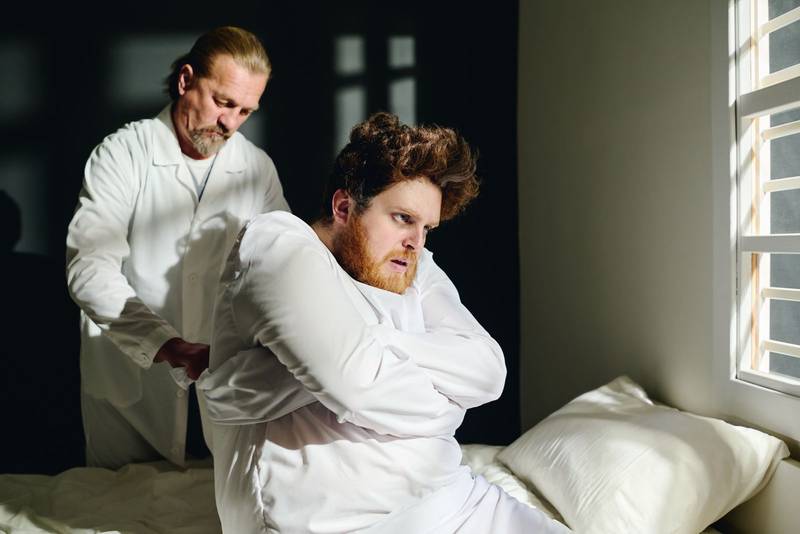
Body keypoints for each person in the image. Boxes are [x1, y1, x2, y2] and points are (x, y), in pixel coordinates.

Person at [198, 112, 570, 533]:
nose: (416, 242)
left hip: (457, 498)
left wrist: (370, 340)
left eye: (427, 228)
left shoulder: (414, 264)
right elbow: (359, 388)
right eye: (403, 218)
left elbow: (488, 371)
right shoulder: (278, 244)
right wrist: (445, 402)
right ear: (343, 207)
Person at [66, 26, 289, 470]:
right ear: (186, 80)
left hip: (222, 383)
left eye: (245, 111)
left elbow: (280, 266)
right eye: (223, 102)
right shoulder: (122, 153)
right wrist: (166, 344)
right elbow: (89, 269)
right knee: (116, 500)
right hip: (132, 382)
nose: (231, 123)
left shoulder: (256, 168)